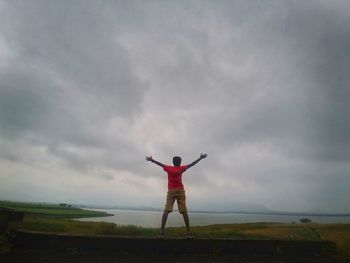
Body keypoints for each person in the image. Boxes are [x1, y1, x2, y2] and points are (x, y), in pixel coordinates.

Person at [146, 153, 208, 239]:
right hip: (180, 191)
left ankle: (161, 233)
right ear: (180, 162)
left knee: (166, 211)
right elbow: (191, 164)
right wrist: (200, 158)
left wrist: (152, 160)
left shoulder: (169, 168)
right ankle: (188, 233)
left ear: (173, 162)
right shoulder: (181, 168)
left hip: (171, 191)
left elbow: (160, 164)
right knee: (184, 211)